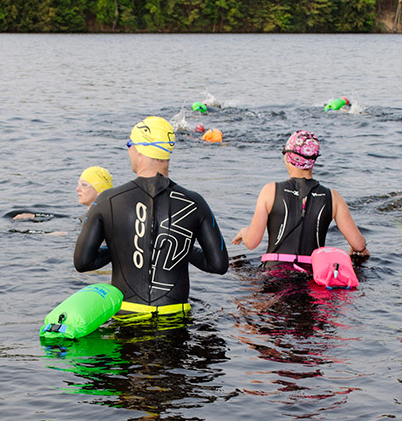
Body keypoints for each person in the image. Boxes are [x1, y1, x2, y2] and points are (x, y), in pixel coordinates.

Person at [74, 116, 228, 318]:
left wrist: (121, 247)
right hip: (176, 318)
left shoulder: (108, 200)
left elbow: (83, 262)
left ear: (138, 150)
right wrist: (181, 247)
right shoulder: (194, 202)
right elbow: (218, 264)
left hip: (127, 315)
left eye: (129, 144)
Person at [230, 130, 370, 272]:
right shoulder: (333, 197)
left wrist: (243, 232)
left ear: (287, 157)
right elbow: (358, 245)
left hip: (275, 274)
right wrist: (360, 246)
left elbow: (252, 242)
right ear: (313, 161)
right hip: (312, 274)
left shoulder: (270, 190)